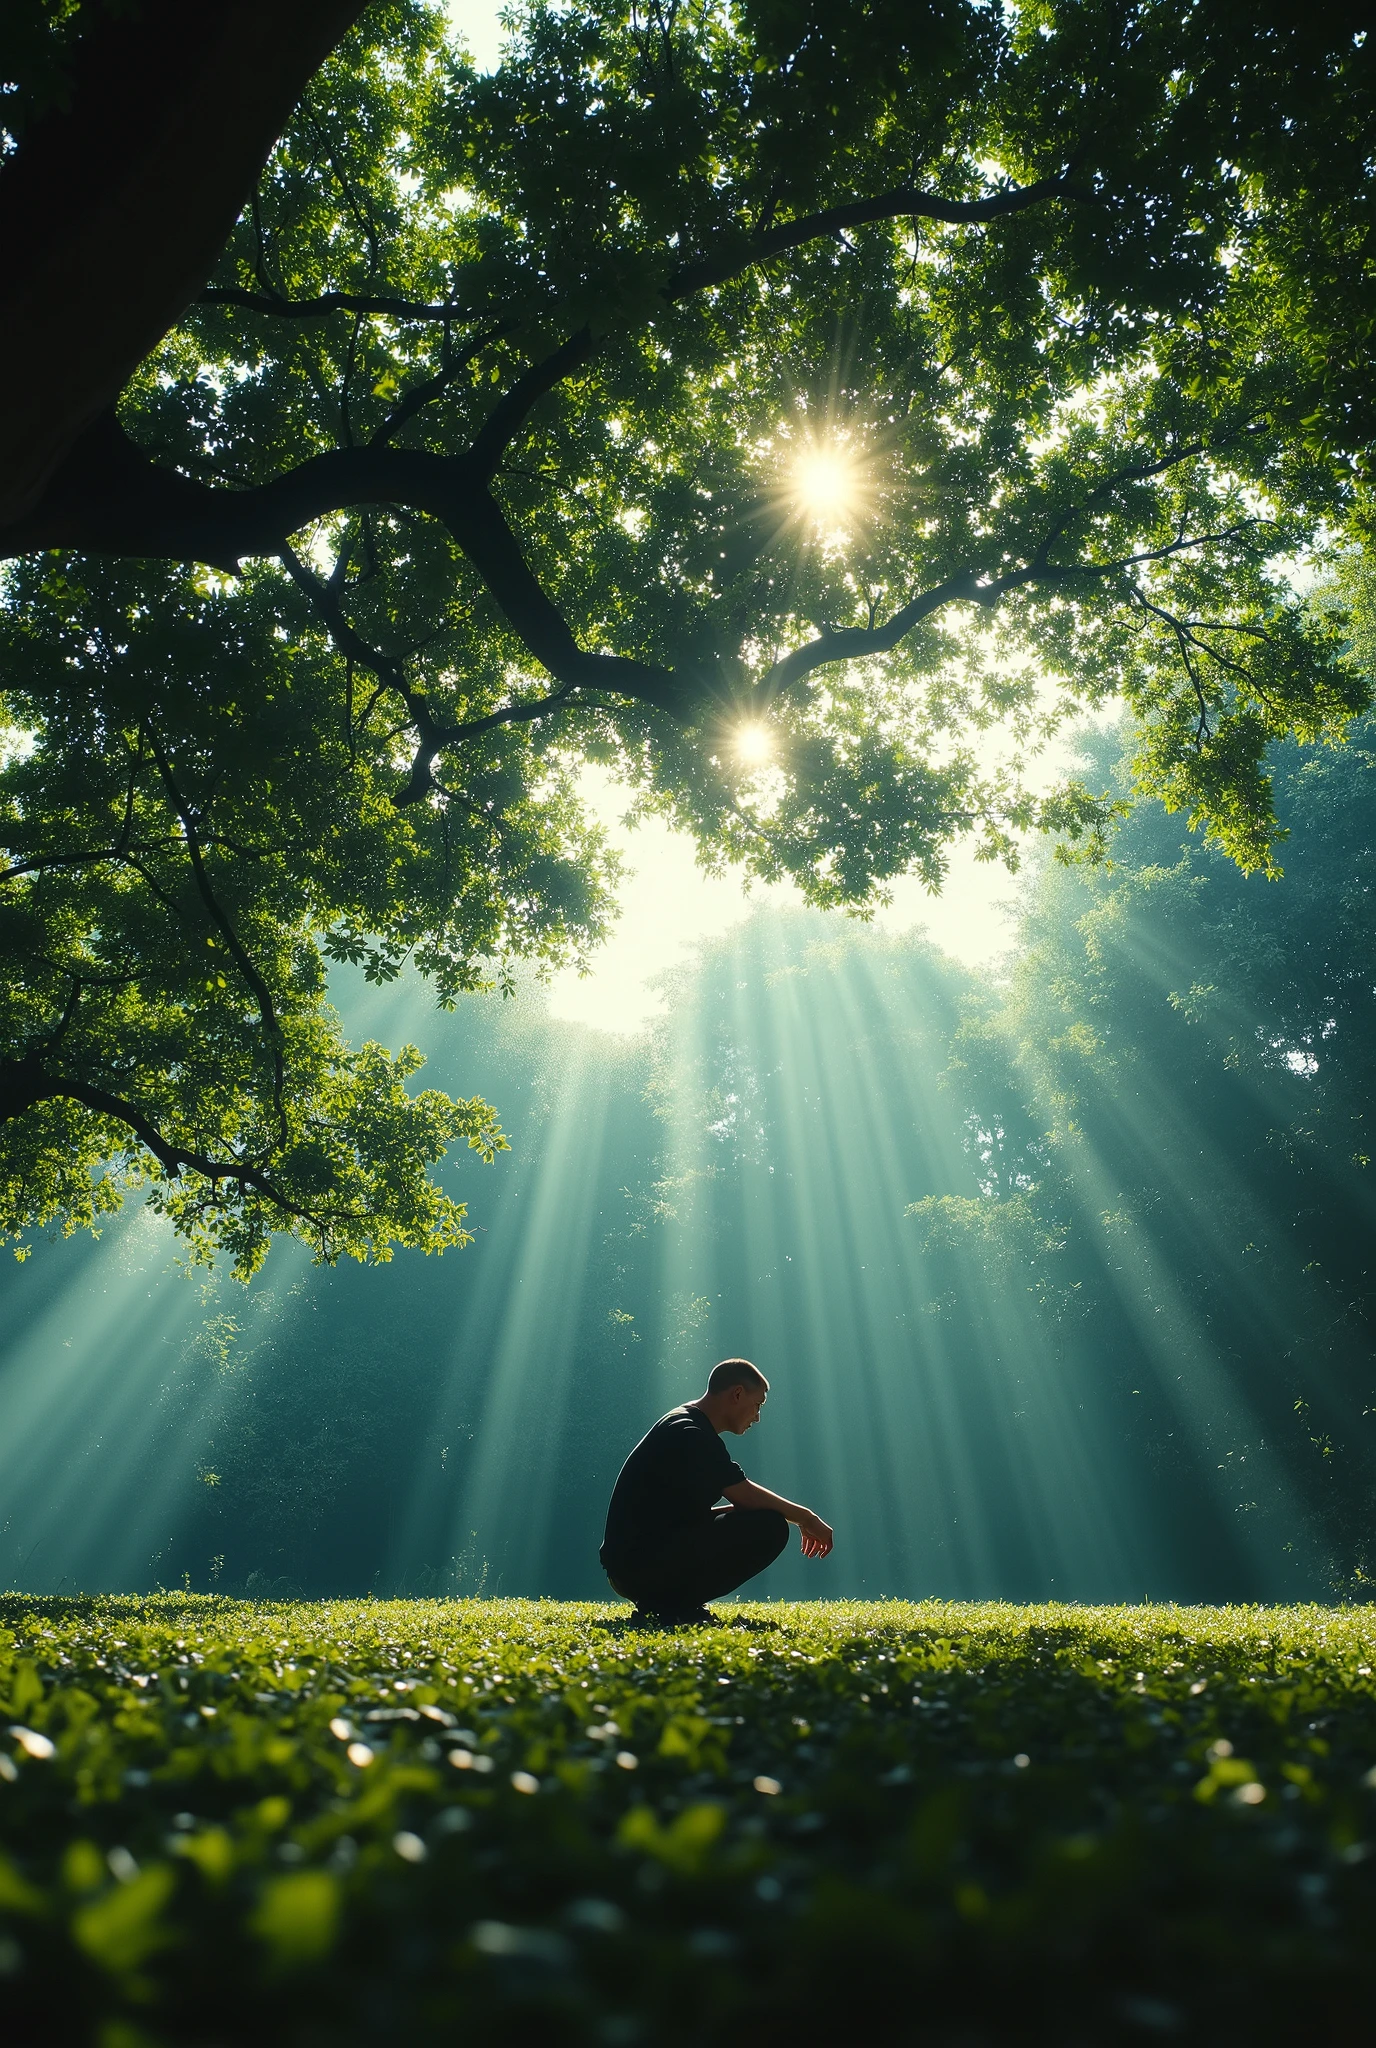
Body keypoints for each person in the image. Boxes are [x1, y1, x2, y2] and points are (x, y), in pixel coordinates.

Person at [599, 1358, 835, 1622]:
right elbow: (745, 1495)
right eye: (757, 1405)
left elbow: (692, 1514)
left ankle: (672, 1604)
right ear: (737, 1394)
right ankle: (672, 1607)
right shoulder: (690, 1432)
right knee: (770, 1527)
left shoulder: (686, 1423)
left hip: (635, 1562)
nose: (757, 1417)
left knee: (761, 1518)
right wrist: (806, 1517)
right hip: (637, 1567)